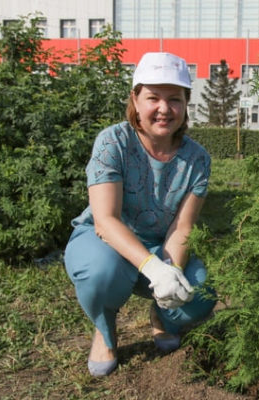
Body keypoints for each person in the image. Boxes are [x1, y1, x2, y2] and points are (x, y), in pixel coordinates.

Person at [64, 52, 216, 377]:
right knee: (99, 274)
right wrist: (152, 268)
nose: (164, 108)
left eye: (174, 99)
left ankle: (160, 316)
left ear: (186, 103)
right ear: (135, 98)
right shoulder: (113, 143)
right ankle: (105, 330)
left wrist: (170, 274)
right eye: (153, 98)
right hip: (104, 243)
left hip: (161, 244)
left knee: (199, 296)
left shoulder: (197, 159)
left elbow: (183, 225)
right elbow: (106, 221)